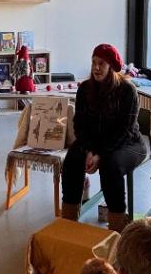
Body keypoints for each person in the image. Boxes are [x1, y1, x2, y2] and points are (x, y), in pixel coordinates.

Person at [61, 43, 145, 233]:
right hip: (95, 141)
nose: (96, 68)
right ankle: (68, 220)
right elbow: (79, 125)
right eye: (94, 63)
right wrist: (89, 150)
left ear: (112, 67)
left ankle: (116, 228)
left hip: (128, 143)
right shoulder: (85, 89)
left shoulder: (127, 90)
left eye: (101, 64)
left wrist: (100, 154)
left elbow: (124, 130)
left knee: (110, 166)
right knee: (72, 159)